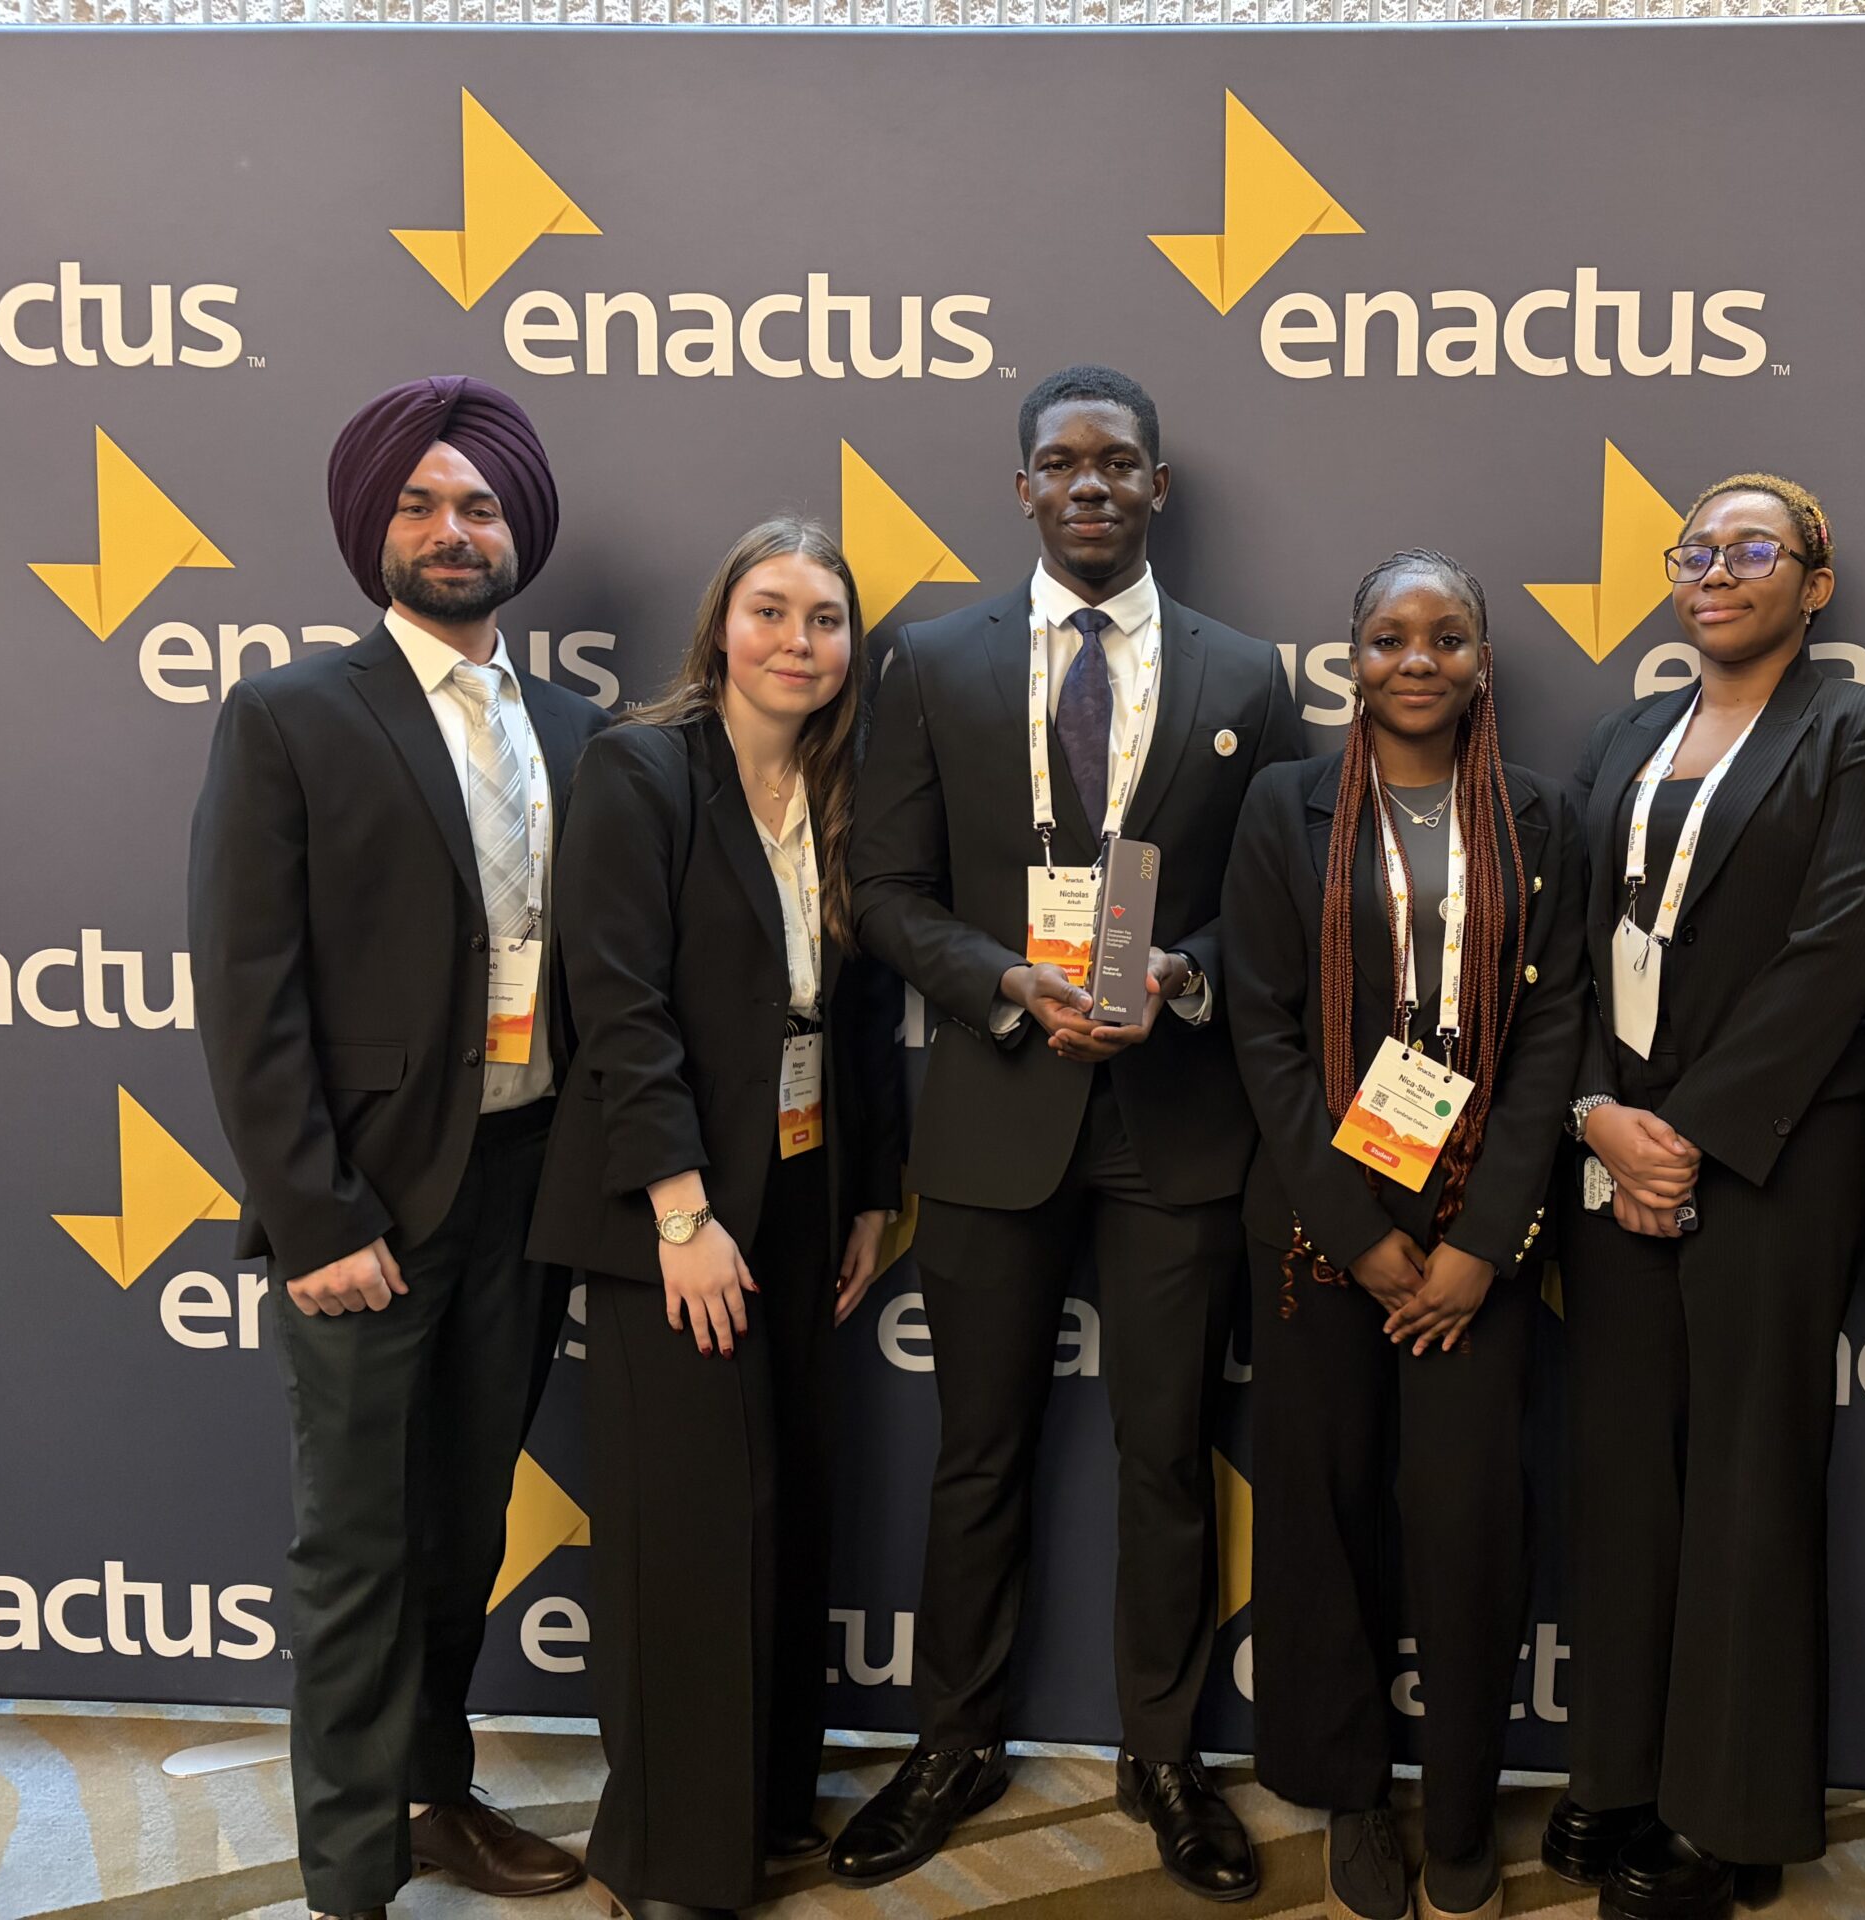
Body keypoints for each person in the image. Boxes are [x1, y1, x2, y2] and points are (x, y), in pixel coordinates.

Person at [837, 365, 1303, 1899]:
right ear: (1023, 487)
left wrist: (1183, 977)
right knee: (978, 1454)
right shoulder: (928, 662)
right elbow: (886, 892)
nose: (1089, 485)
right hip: (996, 1112)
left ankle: (1163, 1756)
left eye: (1117, 463)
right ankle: (954, 1741)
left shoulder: (1247, 678)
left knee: (1167, 1456)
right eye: (1061, 463)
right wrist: (1002, 982)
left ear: (1158, 487)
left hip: (1177, 1125)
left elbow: (1274, 911)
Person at [187, 377, 607, 1920]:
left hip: (527, 1186)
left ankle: (434, 1797)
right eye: (422, 504)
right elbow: (249, 990)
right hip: (365, 1204)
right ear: (375, 527)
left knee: (463, 1528)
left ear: (519, 531)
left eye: (480, 505)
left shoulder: (578, 730)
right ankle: (352, 1879)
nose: (453, 530)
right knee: (360, 1548)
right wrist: (313, 1216)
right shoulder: (292, 715)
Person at [1545, 474, 1865, 1920]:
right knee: (1625, 1478)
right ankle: (1621, 1775)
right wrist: (1599, 1116)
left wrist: (1688, 1138)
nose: (1716, 570)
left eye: (1753, 549)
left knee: (1749, 1483)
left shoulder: (1861, 730)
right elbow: (1579, 945)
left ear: (1813, 584)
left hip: (1773, 1156)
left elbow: (1839, 949)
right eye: (1695, 549)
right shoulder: (1625, 735)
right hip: (1613, 1143)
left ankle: (1730, 1817)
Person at [526, 521, 902, 1920]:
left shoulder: (842, 783)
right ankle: (668, 1858)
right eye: (771, 610)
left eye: (826, 618)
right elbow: (616, 1002)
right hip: (671, 1204)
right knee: (683, 1531)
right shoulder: (641, 768)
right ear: (720, 626)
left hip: (802, 1191)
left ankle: (762, 1806)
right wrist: (680, 1213)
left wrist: (871, 1193)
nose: (799, 641)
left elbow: (857, 1011)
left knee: (781, 1509)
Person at [1227, 550, 1585, 1920]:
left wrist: (1482, 1247)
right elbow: (1263, 1030)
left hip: (1477, 1238)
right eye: (1389, 637)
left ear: (1483, 661)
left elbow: (1552, 1038)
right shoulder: (1286, 806)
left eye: (1446, 638)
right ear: (1353, 660)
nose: (1417, 660)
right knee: (1321, 1513)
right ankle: (1350, 1795)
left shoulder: (1542, 816)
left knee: (1467, 1519)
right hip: (1322, 1232)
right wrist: (1356, 1232)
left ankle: (1462, 1801)